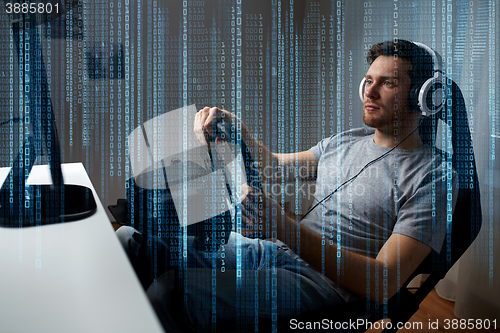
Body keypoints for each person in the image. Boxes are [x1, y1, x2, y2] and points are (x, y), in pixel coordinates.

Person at [116, 39, 457, 330]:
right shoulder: (346, 141)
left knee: (170, 293)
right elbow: (274, 167)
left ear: (422, 97)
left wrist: (284, 226)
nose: (370, 90)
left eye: (388, 83)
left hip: (325, 286)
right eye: (368, 80)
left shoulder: (434, 176)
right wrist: (235, 126)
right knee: (129, 242)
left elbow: (383, 283)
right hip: (275, 252)